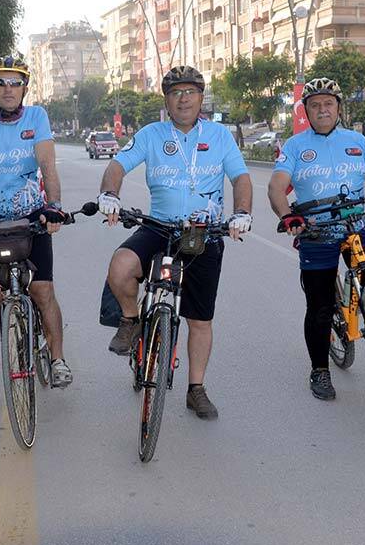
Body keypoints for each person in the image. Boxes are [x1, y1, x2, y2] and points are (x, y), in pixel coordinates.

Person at [97, 65, 253, 420]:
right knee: (120, 267)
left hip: (205, 232)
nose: (183, 98)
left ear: (201, 98)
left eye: (190, 92)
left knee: (200, 320)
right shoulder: (152, 134)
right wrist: (109, 193)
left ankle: (196, 389)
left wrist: (242, 212)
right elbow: (118, 165)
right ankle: (131, 319)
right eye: (175, 93)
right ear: (167, 100)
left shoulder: (220, 136)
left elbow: (241, 178)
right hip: (159, 227)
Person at [268, 78, 365, 401]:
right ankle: (319, 370)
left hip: (357, 225)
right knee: (318, 307)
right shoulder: (295, 146)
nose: (322, 110)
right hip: (316, 232)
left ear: (338, 108)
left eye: (328, 103)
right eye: (315, 105)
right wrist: (287, 215)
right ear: (306, 111)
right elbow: (276, 187)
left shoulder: (356, 141)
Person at [0, 54, 72, 411]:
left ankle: (56, 359)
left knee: (43, 290)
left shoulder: (36, 117)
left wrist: (53, 206)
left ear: (25, 87)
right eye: (1, 82)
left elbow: (48, 166)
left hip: (30, 218)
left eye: (15, 82)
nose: (8, 89)